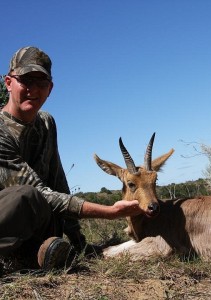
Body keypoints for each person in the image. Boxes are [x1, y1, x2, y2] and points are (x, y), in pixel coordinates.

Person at [0, 46, 142, 272]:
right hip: (10, 215)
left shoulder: (46, 123)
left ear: (51, 89)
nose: (34, 90)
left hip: (36, 222)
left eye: (42, 83)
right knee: (26, 196)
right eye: (26, 81)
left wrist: (79, 242)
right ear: (8, 82)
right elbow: (40, 194)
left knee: (46, 212)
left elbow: (58, 182)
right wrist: (109, 213)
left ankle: (35, 254)